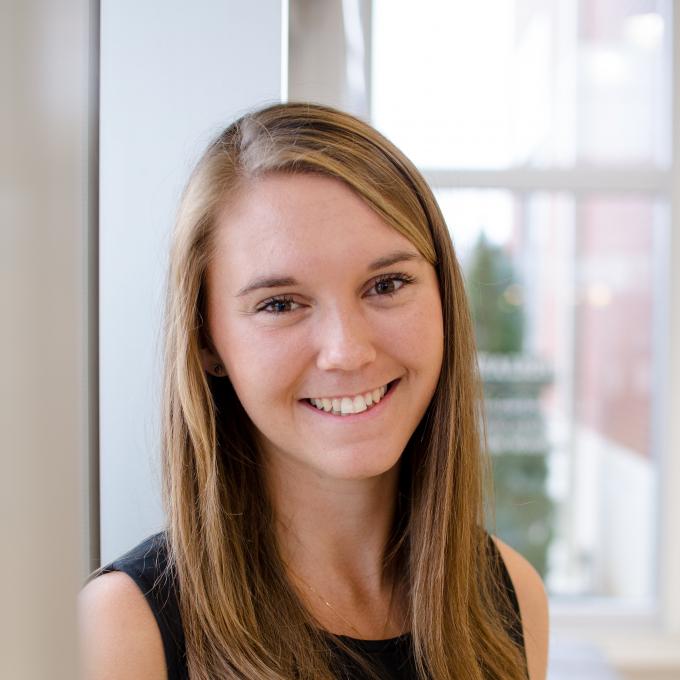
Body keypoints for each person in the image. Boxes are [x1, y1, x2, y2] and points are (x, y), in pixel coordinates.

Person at [79, 102, 549, 680]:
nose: (347, 350)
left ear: (444, 301)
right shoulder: (121, 631)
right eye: (280, 303)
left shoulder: (511, 597)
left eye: (387, 284)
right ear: (207, 343)